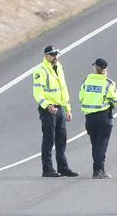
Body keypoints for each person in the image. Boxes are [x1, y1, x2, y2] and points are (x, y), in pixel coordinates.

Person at [32, 45, 78, 178]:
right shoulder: (40, 71)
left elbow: (63, 89)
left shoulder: (59, 67)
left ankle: (63, 167)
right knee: (49, 138)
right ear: (46, 56)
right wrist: (47, 106)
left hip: (60, 107)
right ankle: (47, 169)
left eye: (56, 55)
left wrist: (68, 108)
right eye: (53, 55)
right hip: (48, 109)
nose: (55, 57)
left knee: (61, 138)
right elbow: (37, 93)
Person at [79, 58, 117, 179]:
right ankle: (98, 171)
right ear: (105, 70)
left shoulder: (87, 81)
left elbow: (80, 97)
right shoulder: (108, 83)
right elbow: (116, 99)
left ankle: (99, 169)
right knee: (102, 144)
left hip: (89, 117)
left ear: (95, 68)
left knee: (95, 144)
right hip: (103, 116)